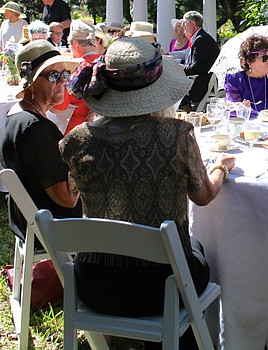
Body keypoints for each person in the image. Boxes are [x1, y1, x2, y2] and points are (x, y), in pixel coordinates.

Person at [60, 37, 235, 333]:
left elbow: (72, 195)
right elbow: (204, 196)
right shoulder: (176, 135)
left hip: (94, 286)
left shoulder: (77, 139)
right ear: (157, 91)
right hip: (165, 286)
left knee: (189, 247)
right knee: (200, 249)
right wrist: (220, 169)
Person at [0, 41, 82, 224]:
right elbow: (67, 199)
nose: (62, 81)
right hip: (56, 227)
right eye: (53, 76)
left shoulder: (17, 114)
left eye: (65, 74)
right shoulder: (36, 128)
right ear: (31, 84)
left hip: (32, 220)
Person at [51, 20, 103, 135]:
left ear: (75, 44)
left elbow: (58, 107)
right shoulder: (107, 63)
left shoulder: (74, 69)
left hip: (78, 134)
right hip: (106, 130)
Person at [224, 34, 268, 113]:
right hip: (248, 124)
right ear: (249, 61)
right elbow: (231, 111)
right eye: (264, 58)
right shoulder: (236, 81)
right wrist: (241, 108)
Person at [181, 11, 220, 111]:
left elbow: (197, 68)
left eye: (184, 23)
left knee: (171, 86)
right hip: (200, 81)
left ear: (193, 23)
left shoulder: (201, 39)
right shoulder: (200, 38)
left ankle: (185, 114)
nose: (182, 26)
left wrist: (179, 69)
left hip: (202, 84)